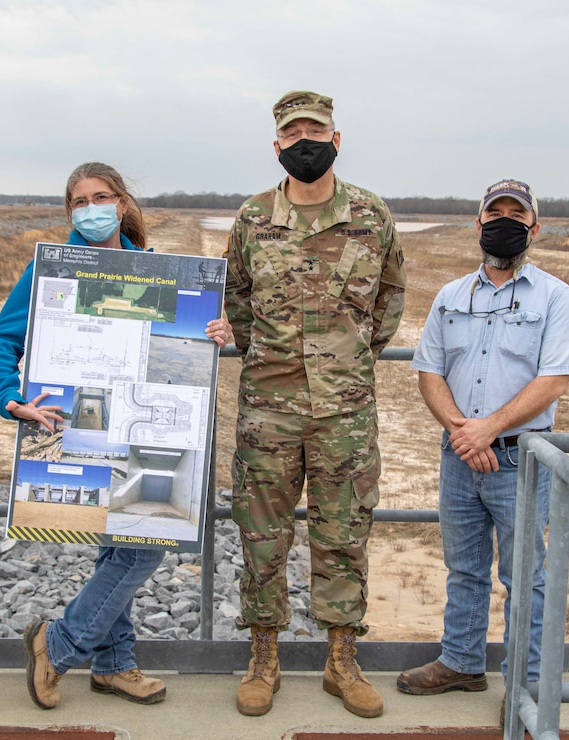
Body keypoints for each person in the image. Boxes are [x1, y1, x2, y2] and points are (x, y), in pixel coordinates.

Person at [0, 161, 233, 710]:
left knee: (135, 540)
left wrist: (214, 332)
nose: (90, 208)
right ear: (69, 210)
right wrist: (10, 398)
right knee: (134, 546)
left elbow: (188, 339)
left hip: (148, 428)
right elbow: (1, 341)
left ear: (121, 203)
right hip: (80, 426)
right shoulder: (54, 269)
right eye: (79, 201)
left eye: (101, 197)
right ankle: (67, 645)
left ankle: (107, 662)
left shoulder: (157, 269)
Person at [223, 91, 406, 719]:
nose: (305, 140)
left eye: (316, 130)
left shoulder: (372, 217)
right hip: (267, 410)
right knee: (262, 535)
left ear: (336, 137)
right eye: (292, 132)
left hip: (344, 413)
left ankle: (341, 660)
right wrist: (264, 355)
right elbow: (237, 303)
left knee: (344, 533)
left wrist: (346, 362)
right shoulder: (251, 219)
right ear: (276, 145)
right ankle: (264, 656)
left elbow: (389, 302)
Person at [396, 179, 569, 707]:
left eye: (516, 214)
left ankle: (526, 683)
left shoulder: (554, 296)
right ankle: (461, 662)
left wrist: (491, 427)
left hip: (521, 458)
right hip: (460, 456)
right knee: (465, 566)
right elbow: (429, 371)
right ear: (478, 225)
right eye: (494, 212)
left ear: (533, 227)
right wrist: (464, 430)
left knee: (525, 575)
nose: (505, 221)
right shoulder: (453, 296)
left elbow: (555, 378)